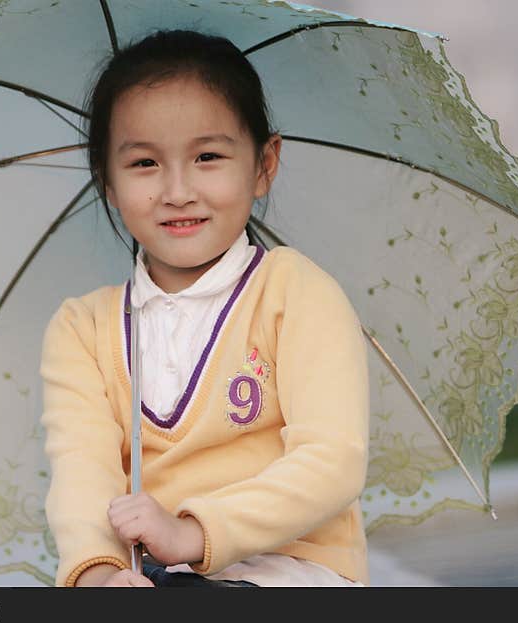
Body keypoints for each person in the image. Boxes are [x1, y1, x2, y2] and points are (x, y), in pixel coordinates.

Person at [39, 29, 369, 587]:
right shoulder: (84, 329)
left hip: (296, 572)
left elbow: (332, 461)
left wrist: (192, 533)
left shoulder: (295, 293)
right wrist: (101, 574)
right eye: (144, 164)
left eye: (208, 156)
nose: (178, 190)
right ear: (108, 182)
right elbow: (82, 476)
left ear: (264, 164)